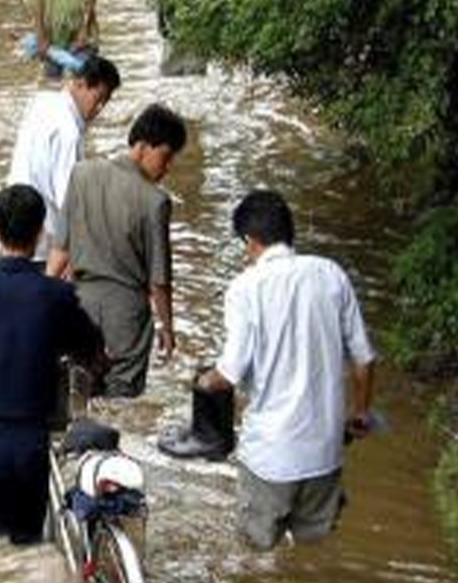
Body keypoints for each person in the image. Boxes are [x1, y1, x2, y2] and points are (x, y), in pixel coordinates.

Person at [196, 190, 377, 550]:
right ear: (288, 232)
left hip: (271, 457)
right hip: (325, 453)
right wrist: (359, 414)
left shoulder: (245, 288)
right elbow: (364, 360)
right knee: (314, 548)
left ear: (249, 241)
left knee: (254, 552)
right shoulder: (331, 274)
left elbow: (229, 374)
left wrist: (203, 381)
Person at [0, 184, 104, 544]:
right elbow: (88, 347)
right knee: (25, 548)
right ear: (40, 231)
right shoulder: (56, 295)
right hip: (28, 440)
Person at [48, 103, 187, 397]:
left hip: (79, 308)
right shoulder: (155, 201)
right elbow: (159, 279)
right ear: (143, 146)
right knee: (123, 405)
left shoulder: (82, 174)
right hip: (127, 316)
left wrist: (45, 298)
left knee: (78, 395)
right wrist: (167, 328)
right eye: (166, 156)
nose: (167, 167)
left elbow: (61, 248)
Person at [7, 54, 121, 270]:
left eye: (105, 102)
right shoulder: (69, 131)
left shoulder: (41, 102)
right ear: (80, 84)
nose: (99, 109)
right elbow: (68, 201)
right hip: (43, 247)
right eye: (98, 99)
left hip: (13, 233)